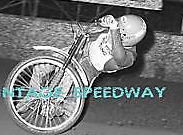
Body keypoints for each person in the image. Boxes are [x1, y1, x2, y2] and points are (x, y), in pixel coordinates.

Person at [17, 14, 147, 113]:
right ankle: (31, 96)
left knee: (69, 107)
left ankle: (53, 107)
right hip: (81, 49)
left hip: (88, 68)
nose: (117, 29)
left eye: (120, 30)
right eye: (117, 25)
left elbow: (119, 58)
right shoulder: (116, 28)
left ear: (127, 37)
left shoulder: (130, 57)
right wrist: (106, 20)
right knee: (41, 66)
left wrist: (114, 30)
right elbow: (101, 24)